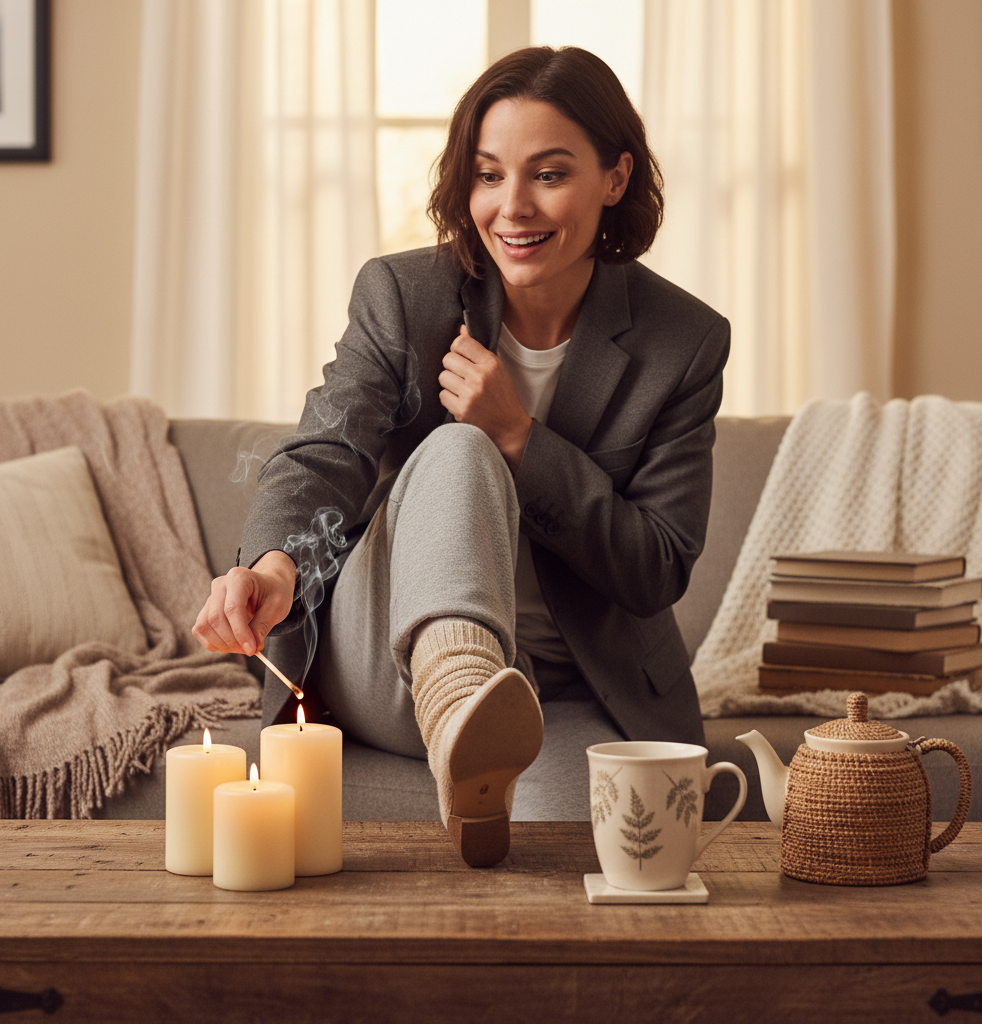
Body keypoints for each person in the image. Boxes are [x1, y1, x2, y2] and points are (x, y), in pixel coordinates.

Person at [193, 46, 730, 867]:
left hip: (560, 689)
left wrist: (524, 436)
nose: (511, 206)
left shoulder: (682, 342)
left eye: (548, 174)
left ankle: (476, 740)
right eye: (487, 175)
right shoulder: (405, 295)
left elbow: (656, 568)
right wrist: (272, 567)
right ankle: (455, 699)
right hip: (389, 670)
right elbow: (324, 449)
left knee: (562, 873)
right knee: (458, 449)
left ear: (615, 179)